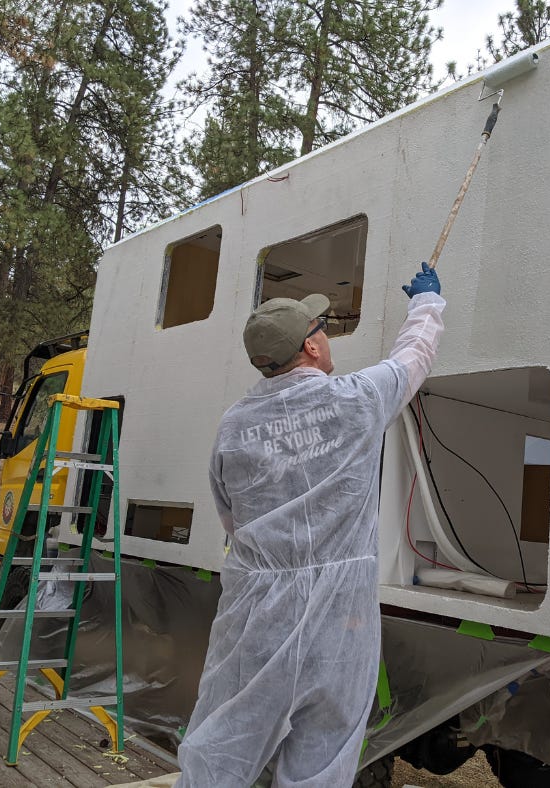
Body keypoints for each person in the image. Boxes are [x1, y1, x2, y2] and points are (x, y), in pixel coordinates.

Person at [176, 262, 445, 788]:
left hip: (256, 607)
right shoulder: (355, 399)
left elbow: (229, 514)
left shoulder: (234, 424)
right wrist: (427, 304)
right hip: (341, 614)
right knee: (325, 750)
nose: (326, 332)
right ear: (313, 348)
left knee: (224, 739)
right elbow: (413, 358)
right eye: (322, 327)